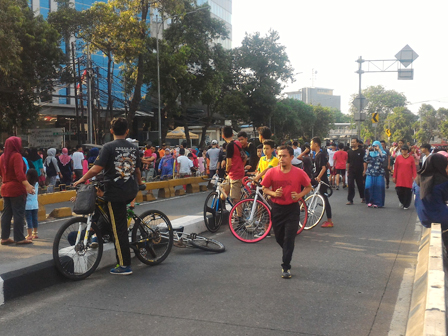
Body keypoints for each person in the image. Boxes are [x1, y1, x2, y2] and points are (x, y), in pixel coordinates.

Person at [74, 117, 142, 275]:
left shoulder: (108, 147)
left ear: (111, 131)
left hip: (116, 192)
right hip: (131, 190)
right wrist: (140, 183)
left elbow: (96, 169)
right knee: (114, 219)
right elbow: (138, 170)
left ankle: (124, 265)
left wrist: (81, 179)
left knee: (119, 229)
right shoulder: (133, 147)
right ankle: (104, 233)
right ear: (127, 131)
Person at [261, 146, 312, 279]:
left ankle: (286, 266)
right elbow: (264, 188)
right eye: (279, 156)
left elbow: (309, 187)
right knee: (279, 237)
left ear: (291, 157)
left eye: (284, 156)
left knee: (289, 238)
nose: (281, 158)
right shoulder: (272, 172)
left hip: (292, 209)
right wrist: (273, 193)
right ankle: (287, 250)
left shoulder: (299, 172)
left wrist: (299, 195)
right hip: (277, 209)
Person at [0, 137, 35, 245]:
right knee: (18, 214)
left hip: (5, 187)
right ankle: (19, 238)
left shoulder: (2, 157)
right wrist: (28, 185)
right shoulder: (16, 156)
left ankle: (4, 238)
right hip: (16, 188)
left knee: (6, 213)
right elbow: (19, 174)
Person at [413, 153, 448, 230]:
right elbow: (446, 199)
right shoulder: (443, 181)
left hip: (423, 216)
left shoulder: (418, 179)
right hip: (440, 218)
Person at [222, 125, 245, 216]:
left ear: (222, 136)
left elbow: (229, 163)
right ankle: (223, 209)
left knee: (235, 198)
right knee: (224, 190)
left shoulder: (229, 146)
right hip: (236, 172)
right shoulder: (237, 143)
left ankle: (240, 217)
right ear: (232, 134)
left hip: (235, 174)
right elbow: (243, 157)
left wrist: (227, 170)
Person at [311, 137, 334, 228]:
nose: (310, 145)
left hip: (321, 181)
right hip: (319, 179)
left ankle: (329, 221)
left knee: (325, 200)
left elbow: (324, 167)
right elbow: (327, 165)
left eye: (311, 143)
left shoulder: (320, 155)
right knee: (324, 199)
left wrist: (319, 177)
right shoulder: (319, 154)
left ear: (316, 144)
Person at [363, 141, 386, 208]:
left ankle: (378, 202)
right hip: (370, 172)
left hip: (379, 172)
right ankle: (370, 201)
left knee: (378, 187)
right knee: (368, 186)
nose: (374, 147)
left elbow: (383, 159)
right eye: (373, 146)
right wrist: (367, 152)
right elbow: (365, 159)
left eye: (376, 145)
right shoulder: (370, 153)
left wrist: (379, 150)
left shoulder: (382, 153)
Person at [393, 145, 416, 209]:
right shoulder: (398, 158)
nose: (404, 151)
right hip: (400, 177)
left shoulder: (411, 158)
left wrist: (415, 176)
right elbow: (395, 168)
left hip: (408, 177)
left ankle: (406, 204)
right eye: (403, 150)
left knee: (407, 191)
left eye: (405, 150)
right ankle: (402, 201)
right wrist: (394, 176)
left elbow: (414, 168)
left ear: (407, 151)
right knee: (399, 190)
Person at [346, 138, 365, 205]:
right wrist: (348, 171)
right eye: (352, 142)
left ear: (357, 143)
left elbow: (364, 161)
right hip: (351, 170)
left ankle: (363, 197)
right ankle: (350, 200)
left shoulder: (361, 151)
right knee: (350, 184)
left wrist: (364, 170)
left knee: (360, 185)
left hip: (359, 170)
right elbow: (348, 162)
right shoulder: (349, 152)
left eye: (354, 142)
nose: (352, 143)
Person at [25, 168, 39, 240]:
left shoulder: (26, 185)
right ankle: (35, 233)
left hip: (27, 205)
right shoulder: (36, 183)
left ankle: (29, 235)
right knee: (35, 219)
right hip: (35, 204)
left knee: (28, 220)